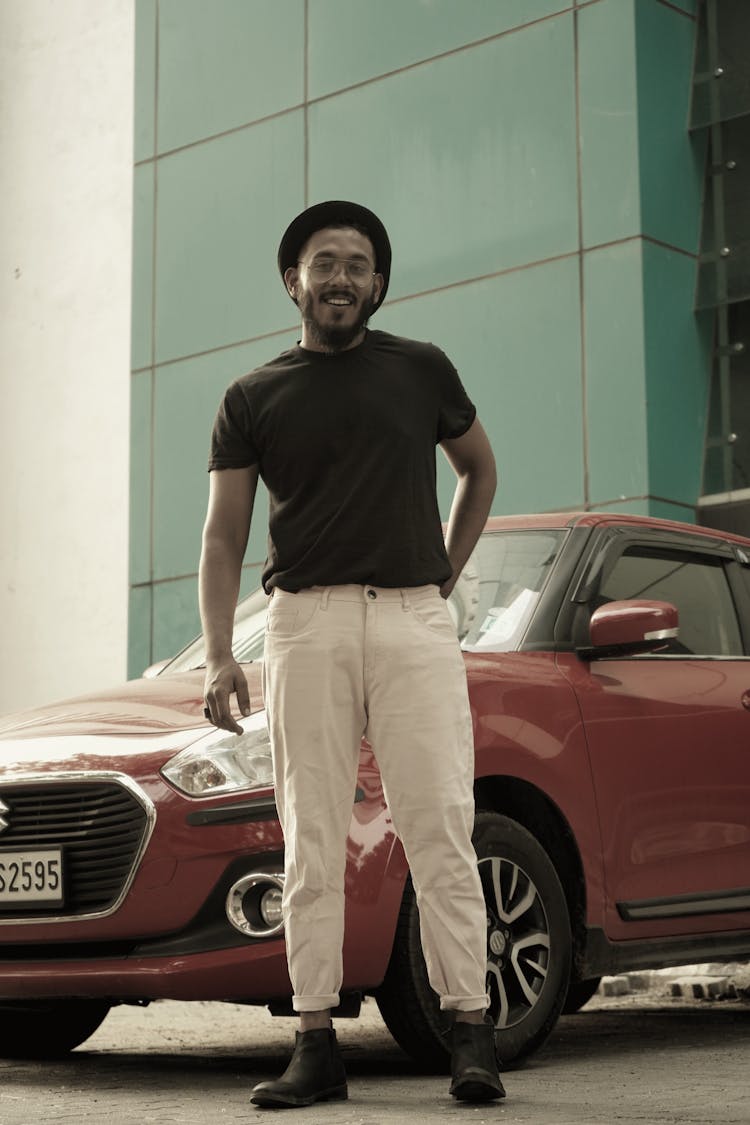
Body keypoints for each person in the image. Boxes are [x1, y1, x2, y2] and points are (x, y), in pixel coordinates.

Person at [199, 200, 503, 1108]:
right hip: (303, 624)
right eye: (323, 261)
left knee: (442, 822)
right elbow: (223, 538)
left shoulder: (421, 370)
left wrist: (441, 575)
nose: (341, 276)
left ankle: (472, 1030)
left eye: (358, 263)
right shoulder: (252, 396)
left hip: (413, 619)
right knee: (312, 836)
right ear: (292, 280)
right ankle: (315, 1039)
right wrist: (221, 655)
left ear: (379, 283)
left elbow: (479, 469)